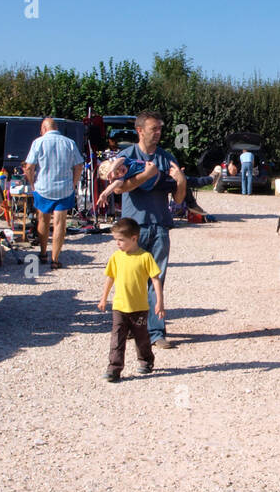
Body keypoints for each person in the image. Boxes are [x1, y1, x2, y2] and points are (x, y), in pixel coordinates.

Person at [97, 110, 186, 348]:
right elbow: (119, 188)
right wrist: (146, 175)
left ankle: (156, 333)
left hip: (159, 226)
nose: (158, 133)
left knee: (156, 279)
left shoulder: (167, 158)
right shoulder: (126, 156)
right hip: (133, 228)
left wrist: (182, 181)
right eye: (153, 129)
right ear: (140, 131)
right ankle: (131, 327)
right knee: (129, 280)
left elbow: (178, 199)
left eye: (159, 129)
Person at [98, 217, 164, 382]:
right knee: (117, 339)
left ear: (134, 238)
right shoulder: (116, 257)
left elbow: (155, 279)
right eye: (116, 240)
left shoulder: (145, 257)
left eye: (121, 240)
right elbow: (110, 278)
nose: (118, 243)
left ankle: (146, 361)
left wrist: (159, 302)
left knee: (141, 338)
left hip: (139, 307)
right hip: (119, 306)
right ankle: (114, 368)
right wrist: (103, 298)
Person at [24, 117, 85, 268]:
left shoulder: (38, 142)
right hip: (64, 188)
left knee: (43, 220)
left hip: (43, 187)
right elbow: (79, 166)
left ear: (43, 129)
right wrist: (73, 184)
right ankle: (55, 259)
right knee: (60, 223)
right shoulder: (69, 143)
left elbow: (29, 167)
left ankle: (43, 253)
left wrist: (32, 184)